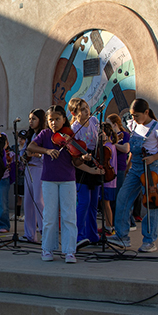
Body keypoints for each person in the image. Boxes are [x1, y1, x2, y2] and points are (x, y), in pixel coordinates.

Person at [26, 105, 88, 263]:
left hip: (68, 179)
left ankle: (69, 251)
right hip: (49, 179)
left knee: (69, 216)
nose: (53, 122)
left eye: (57, 119)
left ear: (64, 119)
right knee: (49, 216)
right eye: (50, 120)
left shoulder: (70, 135)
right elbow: (30, 147)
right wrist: (46, 151)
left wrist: (82, 158)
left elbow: (75, 160)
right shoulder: (45, 134)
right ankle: (47, 248)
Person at [109, 99, 158, 253]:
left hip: (150, 168)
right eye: (132, 115)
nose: (133, 118)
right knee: (123, 197)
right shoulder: (133, 125)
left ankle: (150, 240)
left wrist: (153, 158)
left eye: (136, 115)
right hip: (135, 167)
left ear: (146, 113)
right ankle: (122, 236)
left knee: (151, 203)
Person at [68, 97, 102, 248]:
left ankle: (92, 235)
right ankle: (78, 235)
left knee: (94, 203)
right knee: (83, 202)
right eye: (82, 109)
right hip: (81, 163)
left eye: (87, 107)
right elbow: (74, 155)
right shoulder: (74, 129)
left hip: (95, 158)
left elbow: (100, 140)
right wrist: (83, 156)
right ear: (74, 113)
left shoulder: (94, 121)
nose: (86, 111)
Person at [22, 109, 46, 242]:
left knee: (38, 200)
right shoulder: (30, 135)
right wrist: (23, 156)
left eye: (34, 119)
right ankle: (30, 234)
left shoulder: (44, 135)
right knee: (28, 202)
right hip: (28, 169)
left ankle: (44, 231)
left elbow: (46, 155)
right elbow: (24, 150)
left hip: (39, 169)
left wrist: (36, 154)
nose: (31, 121)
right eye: (30, 119)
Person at [107, 113, 131, 234]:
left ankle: (127, 221)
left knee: (119, 196)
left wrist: (113, 145)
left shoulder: (124, 135)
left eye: (109, 124)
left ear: (115, 124)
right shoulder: (111, 136)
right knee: (112, 197)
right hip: (111, 167)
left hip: (120, 167)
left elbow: (126, 149)